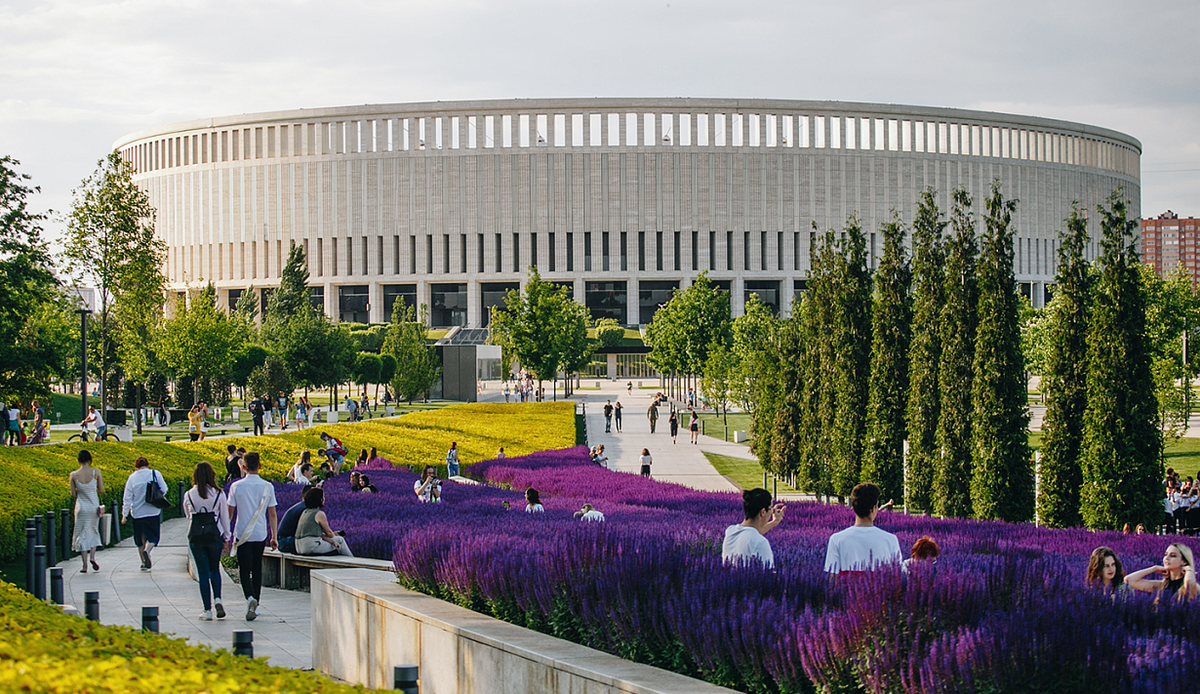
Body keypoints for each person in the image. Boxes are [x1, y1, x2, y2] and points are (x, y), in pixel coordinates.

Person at [228, 452, 279, 621]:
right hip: (259, 533)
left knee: (244, 568)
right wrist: (274, 536)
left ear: (243, 467)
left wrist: (227, 534)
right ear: (260, 466)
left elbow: (230, 513)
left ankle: (249, 597)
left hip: (242, 533)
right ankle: (256, 602)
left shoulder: (236, 486)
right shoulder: (267, 486)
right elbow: (272, 513)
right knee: (257, 568)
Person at [183, 461, 232, 620]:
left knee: (202, 572)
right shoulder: (218, 494)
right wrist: (226, 536)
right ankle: (218, 599)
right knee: (214, 569)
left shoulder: (189, 494)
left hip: (196, 536)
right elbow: (225, 517)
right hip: (213, 534)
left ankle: (207, 610)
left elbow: (188, 516)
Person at [823, 482, 903, 575]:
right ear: (873, 508)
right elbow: (896, 578)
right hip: (879, 589)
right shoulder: (890, 540)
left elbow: (833, 580)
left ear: (853, 508)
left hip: (847, 589)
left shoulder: (836, 540)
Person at [121, 456, 169, 571]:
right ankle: (148, 550)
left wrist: (124, 514)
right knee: (153, 537)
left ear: (136, 466)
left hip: (137, 512)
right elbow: (164, 489)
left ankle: (143, 561)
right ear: (147, 464)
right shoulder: (155, 473)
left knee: (140, 538)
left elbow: (127, 498)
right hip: (153, 510)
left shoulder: (132, 478)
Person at [721, 488, 786, 568]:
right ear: (763, 512)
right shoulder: (760, 542)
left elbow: (750, 533)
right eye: (770, 509)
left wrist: (774, 522)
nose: (772, 512)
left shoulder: (730, 531)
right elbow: (768, 574)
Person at [1125, 543, 1200, 601]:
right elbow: (1128, 580)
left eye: (1173, 556)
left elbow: (1189, 583)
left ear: (1184, 562)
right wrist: (1154, 568)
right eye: (1166, 554)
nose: (1166, 558)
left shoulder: (1195, 587)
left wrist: (1189, 569)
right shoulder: (1161, 586)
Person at [69, 450, 104, 573]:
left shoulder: (73, 475)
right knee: (93, 530)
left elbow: (73, 494)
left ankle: (84, 565)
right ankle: (93, 557)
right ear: (90, 460)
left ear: (79, 460)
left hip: (81, 507)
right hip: (93, 506)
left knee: (81, 533)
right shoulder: (96, 472)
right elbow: (101, 489)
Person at [295, 487, 354, 557]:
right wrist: (334, 536)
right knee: (340, 540)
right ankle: (352, 561)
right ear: (320, 500)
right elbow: (329, 533)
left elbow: (314, 534)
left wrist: (332, 538)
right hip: (310, 546)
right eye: (323, 496)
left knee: (335, 541)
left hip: (298, 546)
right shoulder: (319, 514)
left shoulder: (305, 512)